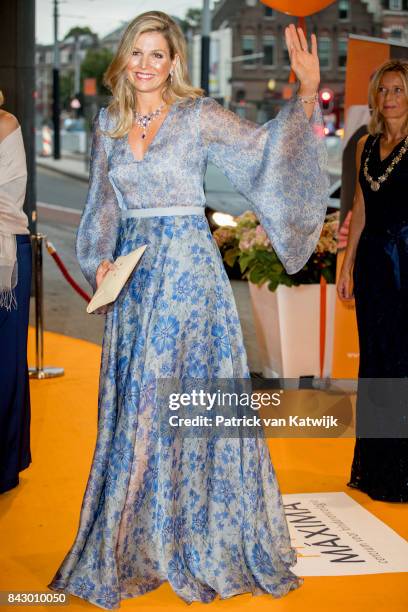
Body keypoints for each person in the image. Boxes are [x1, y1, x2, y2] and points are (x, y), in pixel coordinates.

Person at [48, 11, 329, 608]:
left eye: (158, 53)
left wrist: (306, 92)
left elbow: (266, 152)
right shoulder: (107, 125)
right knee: (140, 407)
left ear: (175, 62)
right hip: (136, 282)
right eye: (137, 53)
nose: (146, 64)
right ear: (124, 61)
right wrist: (99, 260)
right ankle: (135, 537)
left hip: (191, 283)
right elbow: (101, 205)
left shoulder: (199, 117)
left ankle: (193, 532)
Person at [337, 59, 408, 502]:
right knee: (378, 364)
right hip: (373, 265)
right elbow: (360, 208)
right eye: (383, 90)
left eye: (398, 89)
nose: (389, 98)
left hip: (407, 259)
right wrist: (347, 265)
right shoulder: (365, 144)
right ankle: (380, 469)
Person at [0, 90, 32, 494]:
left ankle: (5, 465)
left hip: (6, 254)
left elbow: (9, 203)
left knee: (6, 365)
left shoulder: (6, 124)